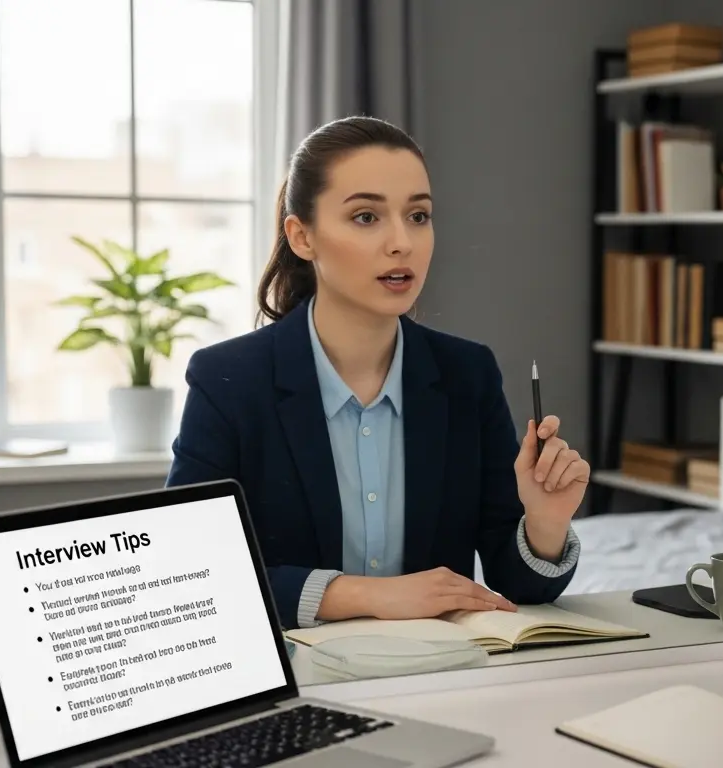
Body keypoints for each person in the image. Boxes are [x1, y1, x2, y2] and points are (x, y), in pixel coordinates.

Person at [166, 116, 590, 630]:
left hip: (435, 676)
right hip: (296, 681)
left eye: (418, 215)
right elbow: (189, 571)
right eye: (366, 217)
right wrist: (360, 595)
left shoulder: (467, 374)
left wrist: (544, 523)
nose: (402, 242)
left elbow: (518, 586)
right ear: (302, 237)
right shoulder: (228, 380)